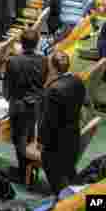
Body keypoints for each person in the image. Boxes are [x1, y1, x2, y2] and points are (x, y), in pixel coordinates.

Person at [40, 51, 87, 196]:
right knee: (69, 171)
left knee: (56, 181)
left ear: (53, 68)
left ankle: (64, 202)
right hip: (73, 136)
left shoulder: (53, 89)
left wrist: (40, 140)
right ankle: (80, 199)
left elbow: (48, 121)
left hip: (55, 144)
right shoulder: (77, 81)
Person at [4, 28, 46, 181]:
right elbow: (43, 81)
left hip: (19, 105)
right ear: (37, 43)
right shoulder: (43, 60)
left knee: (18, 139)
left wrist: (10, 99)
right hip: (36, 104)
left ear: (21, 43)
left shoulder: (13, 61)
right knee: (30, 136)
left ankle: (22, 172)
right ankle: (27, 168)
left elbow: (7, 87)